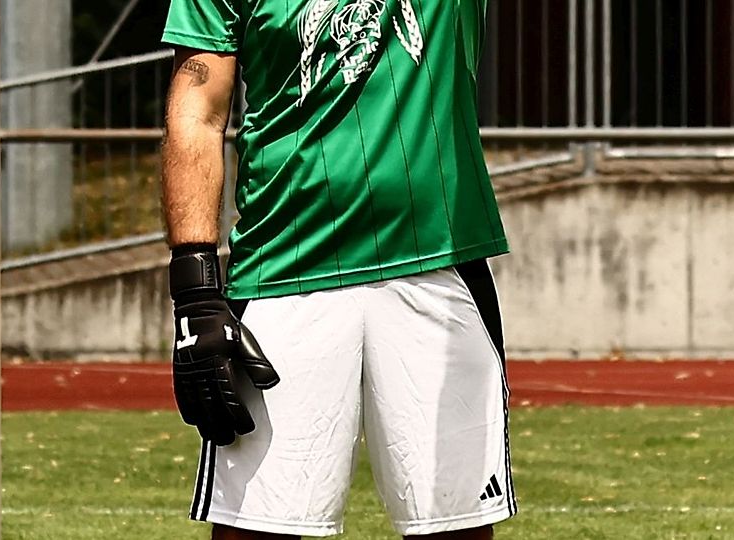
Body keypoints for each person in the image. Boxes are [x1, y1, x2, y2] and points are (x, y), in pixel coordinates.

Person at [160, 0, 515, 538]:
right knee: (254, 529)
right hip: (281, 267)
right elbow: (197, 112)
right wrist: (194, 291)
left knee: (456, 526)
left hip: (439, 264)